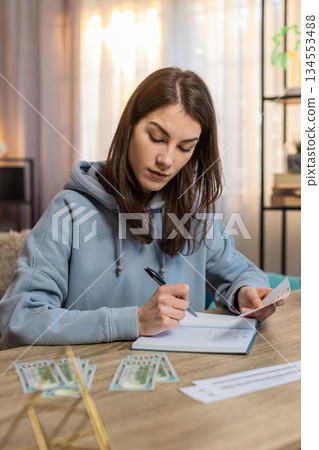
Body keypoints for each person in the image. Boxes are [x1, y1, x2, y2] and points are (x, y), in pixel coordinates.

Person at [0, 67, 286, 348]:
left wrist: (244, 293)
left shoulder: (192, 213)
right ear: (129, 128)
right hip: (91, 386)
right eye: (156, 138)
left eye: (184, 148)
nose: (166, 159)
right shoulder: (70, 211)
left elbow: (242, 274)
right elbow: (19, 319)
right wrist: (134, 321)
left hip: (183, 379)